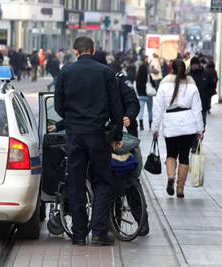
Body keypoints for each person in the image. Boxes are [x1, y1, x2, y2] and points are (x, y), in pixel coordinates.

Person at [54, 36, 123, 246]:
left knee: (75, 183)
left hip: (74, 135)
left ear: (76, 52)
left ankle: (78, 234)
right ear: (93, 51)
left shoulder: (66, 72)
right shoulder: (106, 72)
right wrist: (117, 135)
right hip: (98, 135)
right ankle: (100, 232)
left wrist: (72, 118)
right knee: (102, 181)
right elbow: (116, 108)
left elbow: (58, 107)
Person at [151, 60, 204, 198]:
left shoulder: (164, 85)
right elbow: (198, 109)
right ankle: (180, 188)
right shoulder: (191, 86)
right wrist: (200, 130)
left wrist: (155, 128)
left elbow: (158, 109)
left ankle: (170, 176)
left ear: (171, 69)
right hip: (188, 124)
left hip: (171, 124)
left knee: (171, 154)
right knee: (184, 156)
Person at [189, 57, 212, 126]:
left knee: (202, 123)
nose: (194, 66)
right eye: (193, 65)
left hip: (203, 103)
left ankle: (201, 135)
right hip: (191, 104)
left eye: (196, 64)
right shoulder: (188, 75)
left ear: (199, 64)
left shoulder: (206, 74)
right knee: (192, 123)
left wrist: (207, 97)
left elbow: (211, 86)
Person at [136, 56, 153, 130]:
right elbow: (154, 84)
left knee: (141, 110)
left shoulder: (138, 78)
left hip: (141, 95)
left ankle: (141, 125)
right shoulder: (148, 76)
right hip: (149, 95)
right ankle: (150, 125)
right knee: (150, 110)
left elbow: (137, 86)